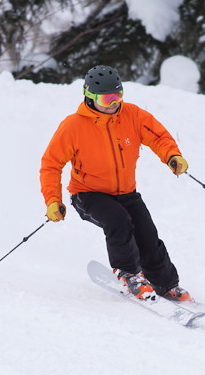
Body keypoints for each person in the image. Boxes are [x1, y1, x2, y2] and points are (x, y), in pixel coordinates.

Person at [40, 64, 192, 302]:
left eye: (118, 96)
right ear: (89, 97)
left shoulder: (132, 115)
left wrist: (172, 155)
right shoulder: (73, 126)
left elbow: (158, 136)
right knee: (119, 221)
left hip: (126, 193)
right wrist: (53, 201)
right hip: (88, 194)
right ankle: (128, 274)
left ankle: (166, 284)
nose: (114, 103)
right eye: (107, 98)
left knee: (147, 233)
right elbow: (51, 165)